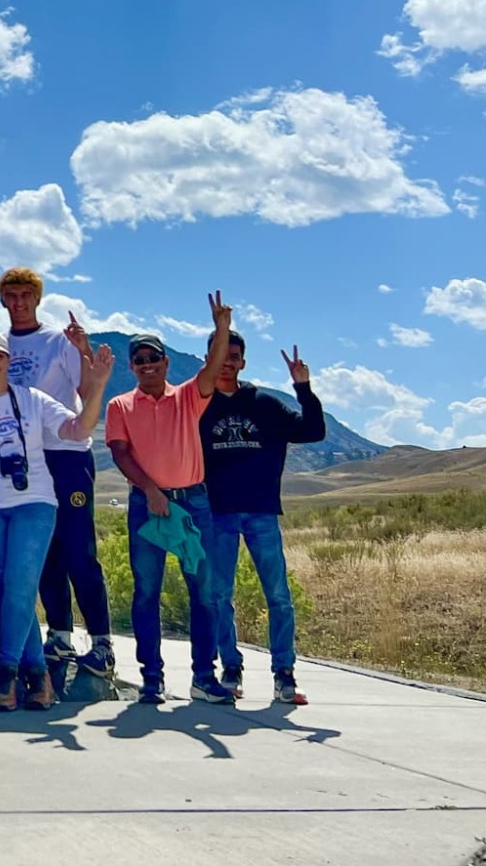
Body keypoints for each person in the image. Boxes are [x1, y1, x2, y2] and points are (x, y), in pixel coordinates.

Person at [0, 322, 111, 711]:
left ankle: (6, 674)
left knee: (19, 582)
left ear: (8, 360)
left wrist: (97, 386)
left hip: (34, 500)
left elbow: (79, 429)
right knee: (9, 585)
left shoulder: (32, 399)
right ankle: (39, 677)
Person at [105, 294, 232, 707]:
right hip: (148, 506)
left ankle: (203, 676)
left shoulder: (188, 396)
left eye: (153, 358)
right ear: (132, 367)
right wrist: (151, 490)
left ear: (165, 362)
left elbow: (213, 368)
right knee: (146, 592)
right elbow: (121, 453)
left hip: (192, 504)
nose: (147, 365)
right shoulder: (120, 405)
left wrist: (221, 328)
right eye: (139, 359)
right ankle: (151, 678)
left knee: (204, 590)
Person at [0, 266, 117, 681]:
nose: (18, 303)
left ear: (37, 298)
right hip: (25, 458)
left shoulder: (57, 341)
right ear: (3, 300)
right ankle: (60, 635)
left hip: (66, 452)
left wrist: (83, 351)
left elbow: (86, 390)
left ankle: (101, 642)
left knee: (78, 548)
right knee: (43, 550)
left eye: (25, 295)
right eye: (10, 296)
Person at [203, 337, 323, 706]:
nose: (227, 362)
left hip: (261, 511)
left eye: (234, 357)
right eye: (221, 356)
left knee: (279, 597)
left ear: (242, 362)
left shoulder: (266, 404)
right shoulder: (199, 406)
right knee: (219, 595)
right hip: (217, 511)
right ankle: (231, 668)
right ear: (211, 359)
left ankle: (284, 674)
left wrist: (303, 387)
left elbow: (312, 430)